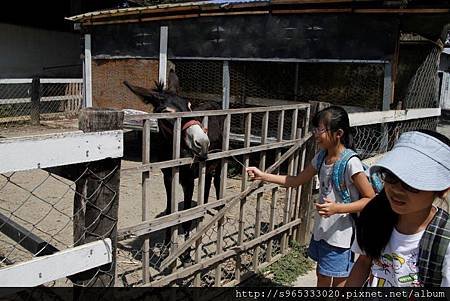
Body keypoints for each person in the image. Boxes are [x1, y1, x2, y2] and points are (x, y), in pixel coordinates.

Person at [246, 106, 376, 287]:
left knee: (340, 280)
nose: (315, 134)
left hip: (341, 236)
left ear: (338, 133)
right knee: (322, 275)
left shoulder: (350, 163)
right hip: (322, 231)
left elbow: (370, 199)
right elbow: (296, 180)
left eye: (320, 129)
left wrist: (337, 208)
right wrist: (263, 175)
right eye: (315, 129)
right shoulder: (321, 157)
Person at [346, 130, 450, 287]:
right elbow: (364, 262)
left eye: (411, 184)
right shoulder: (375, 215)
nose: (397, 190)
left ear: (442, 189)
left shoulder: (444, 240)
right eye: (392, 177)